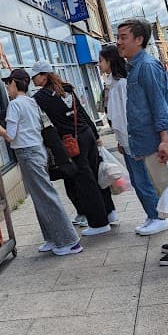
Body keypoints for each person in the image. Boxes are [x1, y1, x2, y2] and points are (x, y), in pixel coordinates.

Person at [117, 19, 168, 266]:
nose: (118, 42)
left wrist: (164, 140)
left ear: (139, 39)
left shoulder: (147, 66)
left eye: (123, 37)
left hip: (158, 144)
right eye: (118, 37)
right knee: (165, 191)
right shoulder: (135, 67)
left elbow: (159, 105)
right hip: (149, 143)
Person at [0, 68, 82, 257]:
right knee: (40, 196)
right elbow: (24, 130)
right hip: (36, 150)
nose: (7, 88)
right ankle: (52, 238)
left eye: (8, 84)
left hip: (28, 153)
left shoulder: (15, 104)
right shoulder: (30, 101)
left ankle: (69, 241)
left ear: (14, 83)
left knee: (45, 196)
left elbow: (11, 135)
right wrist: (1, 132)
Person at [30, 60, 118, 237]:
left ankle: (99, 223)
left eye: (35, 76)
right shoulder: (67, 88)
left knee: (85, 182)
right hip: (87, 135)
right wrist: (96, 135)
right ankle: (109, 213)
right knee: (96, 174)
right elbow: (83, 113)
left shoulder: (41, 97)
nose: (33, 80)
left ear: (44, 76)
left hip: (72, 142)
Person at [98, 45, 168, 236]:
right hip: (126, 140)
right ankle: (151, 214)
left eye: (101, 61)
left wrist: (129, 140)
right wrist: (120, 141)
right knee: (137, 181)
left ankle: (158, 217)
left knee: (142, 180)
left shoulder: (121, 84)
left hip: (132, 140)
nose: (99, 64)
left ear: (110, 61)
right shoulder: (113, 84)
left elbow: (127, 115)